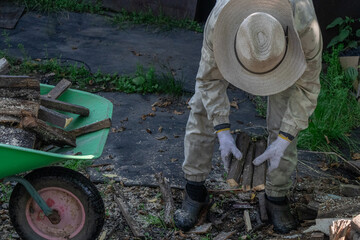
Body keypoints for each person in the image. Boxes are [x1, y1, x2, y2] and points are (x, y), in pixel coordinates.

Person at [174, 0, 323, 234]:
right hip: (231, 36)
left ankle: (276, 197)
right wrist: (222, 133)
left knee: (286, 113)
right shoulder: (218, 23)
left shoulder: (304, 26)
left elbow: (307, 88)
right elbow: (208, 81)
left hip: (286, 45)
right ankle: (194, 191)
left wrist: (284, 138)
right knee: (202, 105)